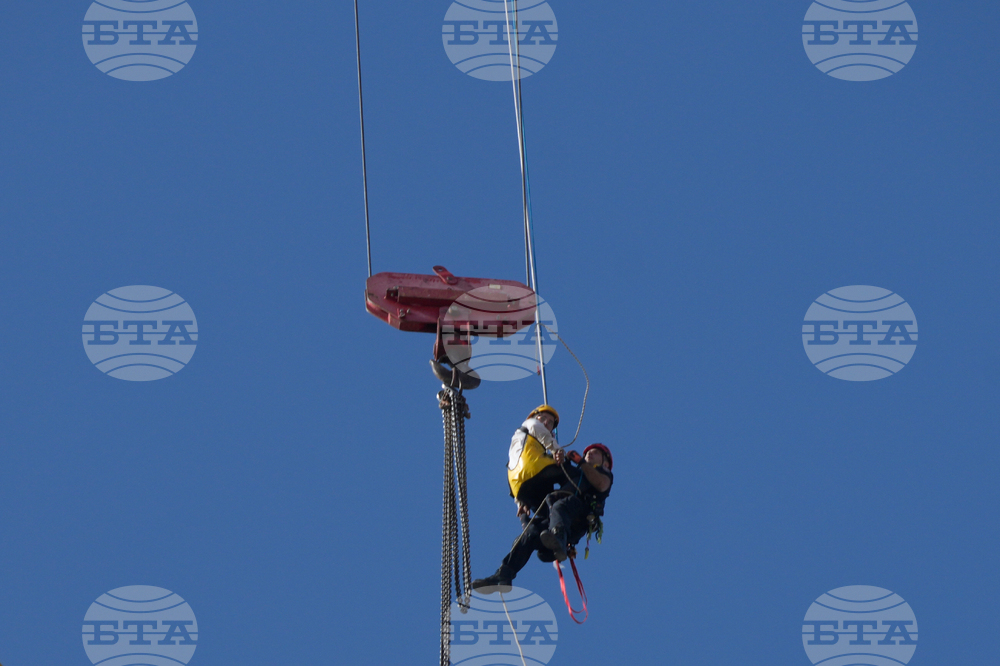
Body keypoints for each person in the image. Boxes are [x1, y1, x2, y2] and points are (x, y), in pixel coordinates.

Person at [472, 442, 614, 593]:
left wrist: (580, 461)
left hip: (579, 516)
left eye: (595, 453)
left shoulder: (603, 473)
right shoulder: (574, 473)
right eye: (587, 453)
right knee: (530, 532)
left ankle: (558, 540)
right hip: (560, 518)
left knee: (560, 505)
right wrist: (524, 499)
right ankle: (503, 575)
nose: (589, 454)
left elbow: (601, 484)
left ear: (605, 463)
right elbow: (549, 473)